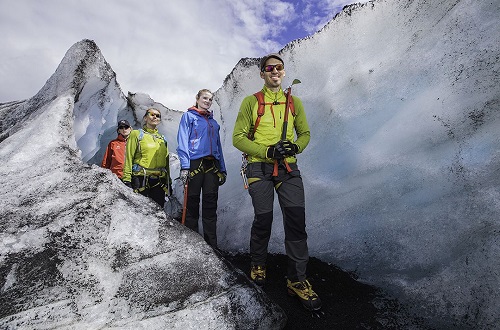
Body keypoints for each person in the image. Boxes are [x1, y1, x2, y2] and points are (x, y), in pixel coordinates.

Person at [232, 53, 321, 311]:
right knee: (264, 218)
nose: (274, 71)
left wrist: (295, 146)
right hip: (259, 166)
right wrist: (267, 151)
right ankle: (258, 262)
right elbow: (238, 138)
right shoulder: (251, 103)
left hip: (288, 168)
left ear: (283, 73)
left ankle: (297, 279)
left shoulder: (295, 103)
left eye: (279, 68)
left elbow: (304, 134)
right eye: (269, 68)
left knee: (296, 221)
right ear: (262, 74)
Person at [177, 89, 227, 249]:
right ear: (197, 98)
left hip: (212, 166)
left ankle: (212, 246)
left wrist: (223, 168)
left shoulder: (213, 123)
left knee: (210, 206)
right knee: (192, 205)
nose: (207, 101)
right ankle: (192, 246)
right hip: (194, 164)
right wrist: (185, 166)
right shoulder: (188, 117)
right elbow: (183, 141)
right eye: (205, 98)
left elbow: (218, 146)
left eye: (210, 99)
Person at [122, 108, 171, 207]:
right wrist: (127, 179)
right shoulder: (136, 134)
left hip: (159, 180)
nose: (155, 117)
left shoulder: (162, 139)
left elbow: (166, 161)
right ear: (145, 118)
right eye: (152, 114)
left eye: (157, 116)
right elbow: (129, 157)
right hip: (141, 179)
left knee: (158, 213)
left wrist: (168, 181)